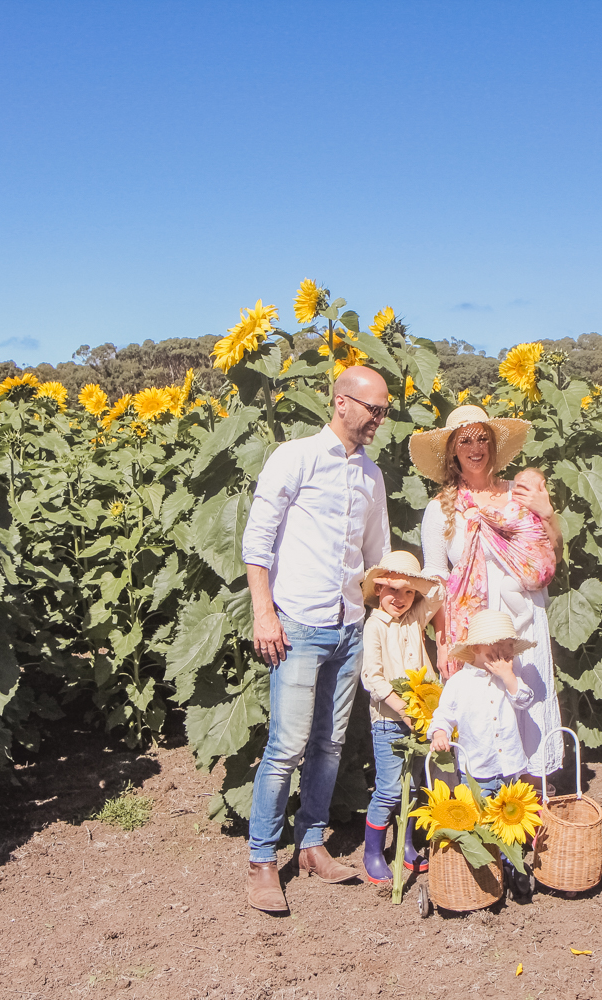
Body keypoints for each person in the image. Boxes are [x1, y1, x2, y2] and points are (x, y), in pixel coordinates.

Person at [240, 365, 391, 913]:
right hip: (298, 624)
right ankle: (261, 861)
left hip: (349, 625)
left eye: (385, 411)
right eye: (374, 409)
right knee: (286, 746)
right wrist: (264, 613)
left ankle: (310, 843)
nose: (380, 420)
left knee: (328, 745)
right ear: (342, 403)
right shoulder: (295, 457)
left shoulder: (371, 477)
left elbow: (377, 558)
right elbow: (257, 543)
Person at [410, 404, 565, 781]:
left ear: (494, 445)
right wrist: (445, 640)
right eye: (465, 440)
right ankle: (489, 804)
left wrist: (548, 513)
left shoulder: (520, 493)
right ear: (452, 451)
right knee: (484, 709)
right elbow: (437, 580)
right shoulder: (440, 510)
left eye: (482, 438)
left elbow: (551, 554)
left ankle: (531, 800)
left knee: (528, 695)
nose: (475, 447)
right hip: (475, 626)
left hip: (524, 618)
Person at [426, 609, 539, 897]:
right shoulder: (459, 684)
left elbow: (524, 699)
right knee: (481, 823)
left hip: (510, 764)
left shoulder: (508, 679)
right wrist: (439, 733)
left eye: (507, 649)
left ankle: (512, 864)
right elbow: (443, 715)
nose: (502, 656)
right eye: (495, 649)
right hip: (478, 769)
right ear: (475, 649)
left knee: (510, 821)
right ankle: (488, 870)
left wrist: (509, 676)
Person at [356, 550, 443, 884]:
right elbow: (372, 678)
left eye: (409, 592)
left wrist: (414, 582)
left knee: (413, 784)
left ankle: (404, 845)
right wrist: (403, 709)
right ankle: (373, 852)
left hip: (421, 717)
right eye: (392, 590)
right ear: (378, 589)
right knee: (390, 789)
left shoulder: (415, 617)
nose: (401, 598)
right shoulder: (374, 626)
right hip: (389, 720)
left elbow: (438, 592)